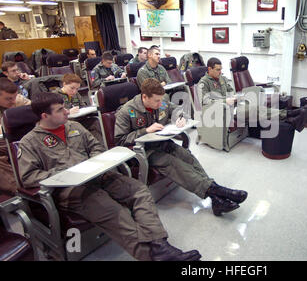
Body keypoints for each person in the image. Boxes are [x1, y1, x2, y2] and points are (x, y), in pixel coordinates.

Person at [18, 92, 201, 261]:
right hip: (72, 190)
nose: (67, 112)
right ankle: (151, 256)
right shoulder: (29, 142)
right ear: (44, 116)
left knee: (139, 190)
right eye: (60, 110)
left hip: (99, 176)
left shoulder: (74, 126)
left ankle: (160, 246)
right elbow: (29, 177)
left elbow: (96, 147)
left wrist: (93, 163)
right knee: (114, 211)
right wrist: (68, 172)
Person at [114, 78, 248, 216]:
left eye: (161, 100)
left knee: (187, 157)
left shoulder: (161, 100)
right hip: (145, 152)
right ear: (144, 97)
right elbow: (120, 140)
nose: (160, 104)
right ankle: (220, 191)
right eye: (156, 101)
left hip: (163, 143)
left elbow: (175, 109)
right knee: (174, 163)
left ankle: (216, 198)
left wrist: (180, 116)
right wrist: (145, 130)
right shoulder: (126, 111)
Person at [198, 58, 307, 132]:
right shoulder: (204, 83)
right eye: (218, 70)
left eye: (221, 69)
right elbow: (205, 102)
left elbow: (231, 90)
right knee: (255, 110)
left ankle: (291, 118)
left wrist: (234, 96)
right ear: (209, 69)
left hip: (233, 106)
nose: (220, 72)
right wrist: (224, 101)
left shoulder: (221, 78)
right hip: (220, 111)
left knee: (259, 108)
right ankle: (291, 115)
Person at [0, 78, 30, 194]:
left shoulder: (19, 100)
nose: (13, 101)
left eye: (14, 97)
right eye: (8, 99)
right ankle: (18, 188)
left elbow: (36, 111)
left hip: (25, 138)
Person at [56, 73, 104, 144]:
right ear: (64, 84)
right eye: (72, 88)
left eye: (77, 89)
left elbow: (83, 106)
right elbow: (55, 114)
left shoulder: (76, 94)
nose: (74, 91)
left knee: (96, 121)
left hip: (79, 119)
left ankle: (98, 146)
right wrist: (68, 112)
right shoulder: (55, 95)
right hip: (66, 123)